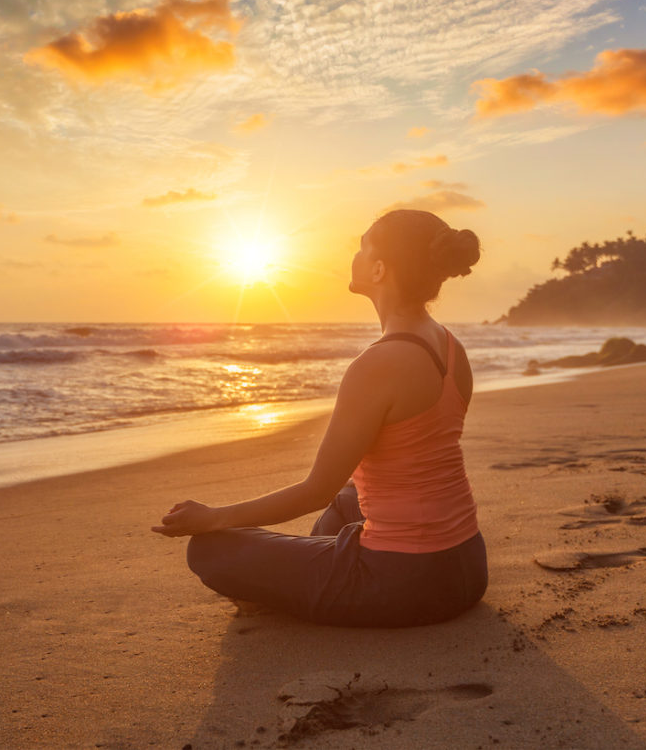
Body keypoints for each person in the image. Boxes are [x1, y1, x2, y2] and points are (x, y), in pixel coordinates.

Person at [152, 209, 487, 627]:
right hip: (468, 567)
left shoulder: (378, 364)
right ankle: (310, 572)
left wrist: (212, 517)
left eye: (363, 247)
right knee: (348, 497)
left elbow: (313, 491)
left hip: (403, 584)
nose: (356, 255)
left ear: (380, 268)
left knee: (209, 549)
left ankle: (307, 582)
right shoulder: (450, 346)